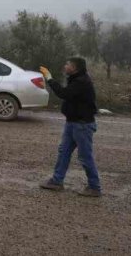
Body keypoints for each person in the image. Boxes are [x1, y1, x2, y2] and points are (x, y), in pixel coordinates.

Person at [39, 57, 102, 197]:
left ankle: (95, 187)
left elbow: (64, 93)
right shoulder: (76, 78)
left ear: (75, 68)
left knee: (85, 156)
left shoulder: (81, 82)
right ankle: (56, 181)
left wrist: (49, 78)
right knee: (64, 151)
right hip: (72, 122)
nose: (65, 65)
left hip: (82, 125)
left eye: (68, 64)